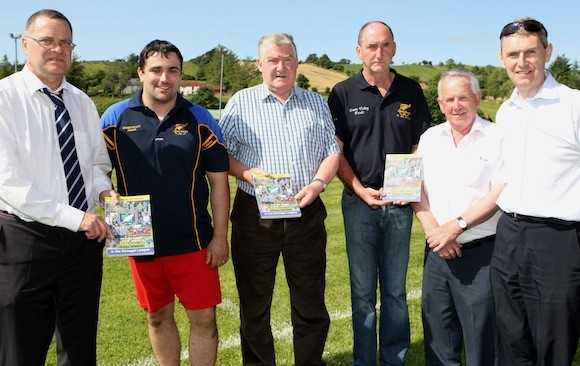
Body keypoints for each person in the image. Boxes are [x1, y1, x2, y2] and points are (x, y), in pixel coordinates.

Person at [101, 40, 230, 365]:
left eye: (173, 70)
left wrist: (219, 236)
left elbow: (218, 181)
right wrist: (105, 193)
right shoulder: (114, 118)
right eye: (156, 69)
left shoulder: (199, 118)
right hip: (139, 241)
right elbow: (97, 171)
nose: (164, 77)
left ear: (180, 75)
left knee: (204, 321)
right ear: (141, 72)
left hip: (194, 243)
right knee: (157, 317)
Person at [0, 9, 116, 365]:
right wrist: (75, 218)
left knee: (79, 349)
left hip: (82, 245)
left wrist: (102, 192)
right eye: (47, 40)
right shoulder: (5, 98)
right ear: (25, 45)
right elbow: (8, 182)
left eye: (65, 42)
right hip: (25, 241)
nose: (57, 49)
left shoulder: (81, 102)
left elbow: (96, 164)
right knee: (21, 350)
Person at [219, 33, 340, 365]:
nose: (281, 66)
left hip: (306, 212)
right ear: (260, 65)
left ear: (297, 63)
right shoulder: (240, 103)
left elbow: (332, 153)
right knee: (255, 305)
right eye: (273, 60)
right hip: (255, 215)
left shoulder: (316, 103)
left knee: (311, 303)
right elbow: (220, 156)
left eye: (287, 59)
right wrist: (248, 174)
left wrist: (317, 184)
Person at [327, 21, 432, 365]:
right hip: (359, 204)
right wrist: (359, 190)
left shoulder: (411, 91)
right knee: (361, 294)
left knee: (396, 292)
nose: (379, 53)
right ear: (359, 51)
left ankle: (394, 359)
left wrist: (407, 187)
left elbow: (421, 146)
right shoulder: (343, 93)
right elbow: (336, 151)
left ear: (394, 49)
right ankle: (363, 360)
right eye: (371, 46)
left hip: (400, 205)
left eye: (385, 45)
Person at [490, 17, 580, 365]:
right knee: (511, 338)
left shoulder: (573, 105)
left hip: (557, 240)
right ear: (501, 59)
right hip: (509, 234)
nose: (521, 62)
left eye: (530, 52)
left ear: (548, 53)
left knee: (554, 343)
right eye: (513, 54)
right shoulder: (505, 111)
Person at [412, 70, 503, 365]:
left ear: (477, 98)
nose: (456, 105)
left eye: (463, 97)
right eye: (449, 99)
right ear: (440, 104)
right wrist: (436, 234)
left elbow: (499, 192)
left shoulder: (497, 137)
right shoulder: (429, 139)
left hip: (481, 255)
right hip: (437, 254)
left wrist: (457, 226)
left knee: (481, 342)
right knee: (438, 340)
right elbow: (416, 191)